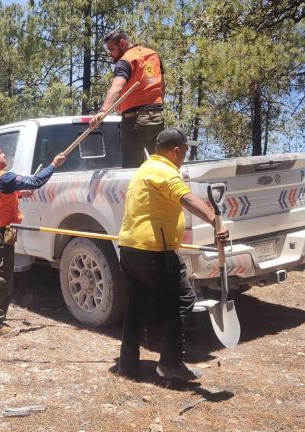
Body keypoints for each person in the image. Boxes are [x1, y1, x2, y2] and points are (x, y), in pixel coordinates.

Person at [116, 127, 229, 382]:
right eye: (185, 151)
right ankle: (170, 363)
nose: (185, 156)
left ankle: (128, 363)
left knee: (136, 305)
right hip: (155, 251)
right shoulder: (165, 171)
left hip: (130, 248)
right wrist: (216, 223)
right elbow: (187, 199)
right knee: (183, 299)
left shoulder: (144, 169)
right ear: (176, 150)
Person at [0, 143, 66, 337]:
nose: (4, 155)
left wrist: (18, 194)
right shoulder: (3, 177)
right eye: (0, 153)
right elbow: (35, 182)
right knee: (3, 278)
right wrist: (54, 165)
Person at [90, 29, 165, 169]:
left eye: (112, 49)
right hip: (156, 117)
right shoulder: (153, 55)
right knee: (161, 166)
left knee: (132, 169)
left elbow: (117, 86)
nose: (110, 54)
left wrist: (103, 111)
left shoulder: (125, 61)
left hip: (134, 120)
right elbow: (162, 84)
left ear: (123, 43)